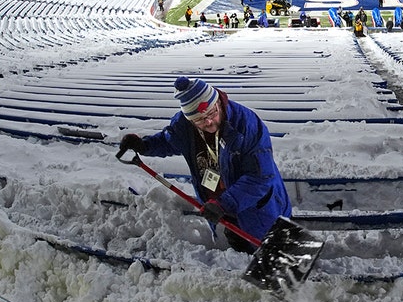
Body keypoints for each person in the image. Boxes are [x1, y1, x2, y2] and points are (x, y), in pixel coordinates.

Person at [118, 77, 292, 254]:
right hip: (220, 202)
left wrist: (224, 204)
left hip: (254, 202)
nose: (208, 122)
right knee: (238, 241)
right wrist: (144, 145)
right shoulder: (184, 126)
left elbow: (260, 177)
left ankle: (290, 267)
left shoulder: (246, 125)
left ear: (218, 102)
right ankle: (245, 260)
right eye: (199, 119)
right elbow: (169, 141)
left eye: (211, 113)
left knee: (273, 243)